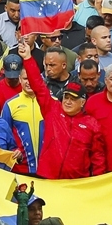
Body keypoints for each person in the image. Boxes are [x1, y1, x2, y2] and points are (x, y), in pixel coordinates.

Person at [19, 41, 106, 178]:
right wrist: (28, 59)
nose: (68, 102)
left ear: (82, 102)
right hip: (48, 179)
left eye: (73, 99)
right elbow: (38, 85)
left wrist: (97, 182)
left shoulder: (91, 124)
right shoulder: (52, 110)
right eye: (66, 97)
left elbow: (98, 157)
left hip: (76, 183)